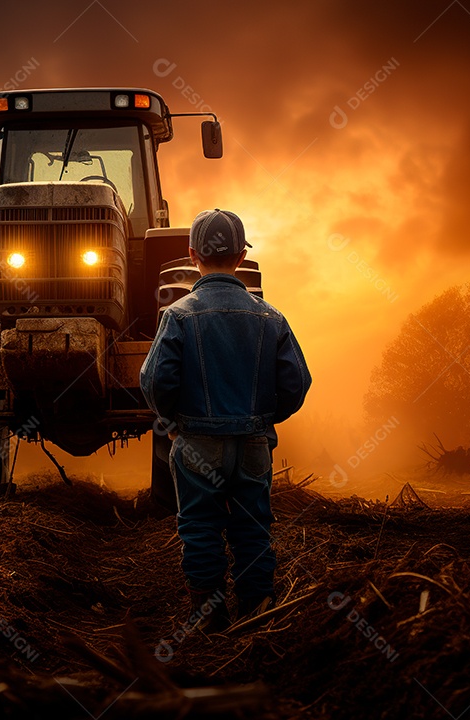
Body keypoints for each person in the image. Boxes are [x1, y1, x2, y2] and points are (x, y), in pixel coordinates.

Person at [140, 208, 311, 632]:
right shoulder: (271, 317)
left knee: (199, 526)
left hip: (197, 442)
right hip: (253, 443)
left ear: (192, 253)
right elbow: (297, 384)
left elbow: (155, 381)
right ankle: (258, 614)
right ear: (240, 255)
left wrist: (176, 420)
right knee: (253, 526)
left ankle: (208, 617)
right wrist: (262, 420)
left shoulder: (177, 315)